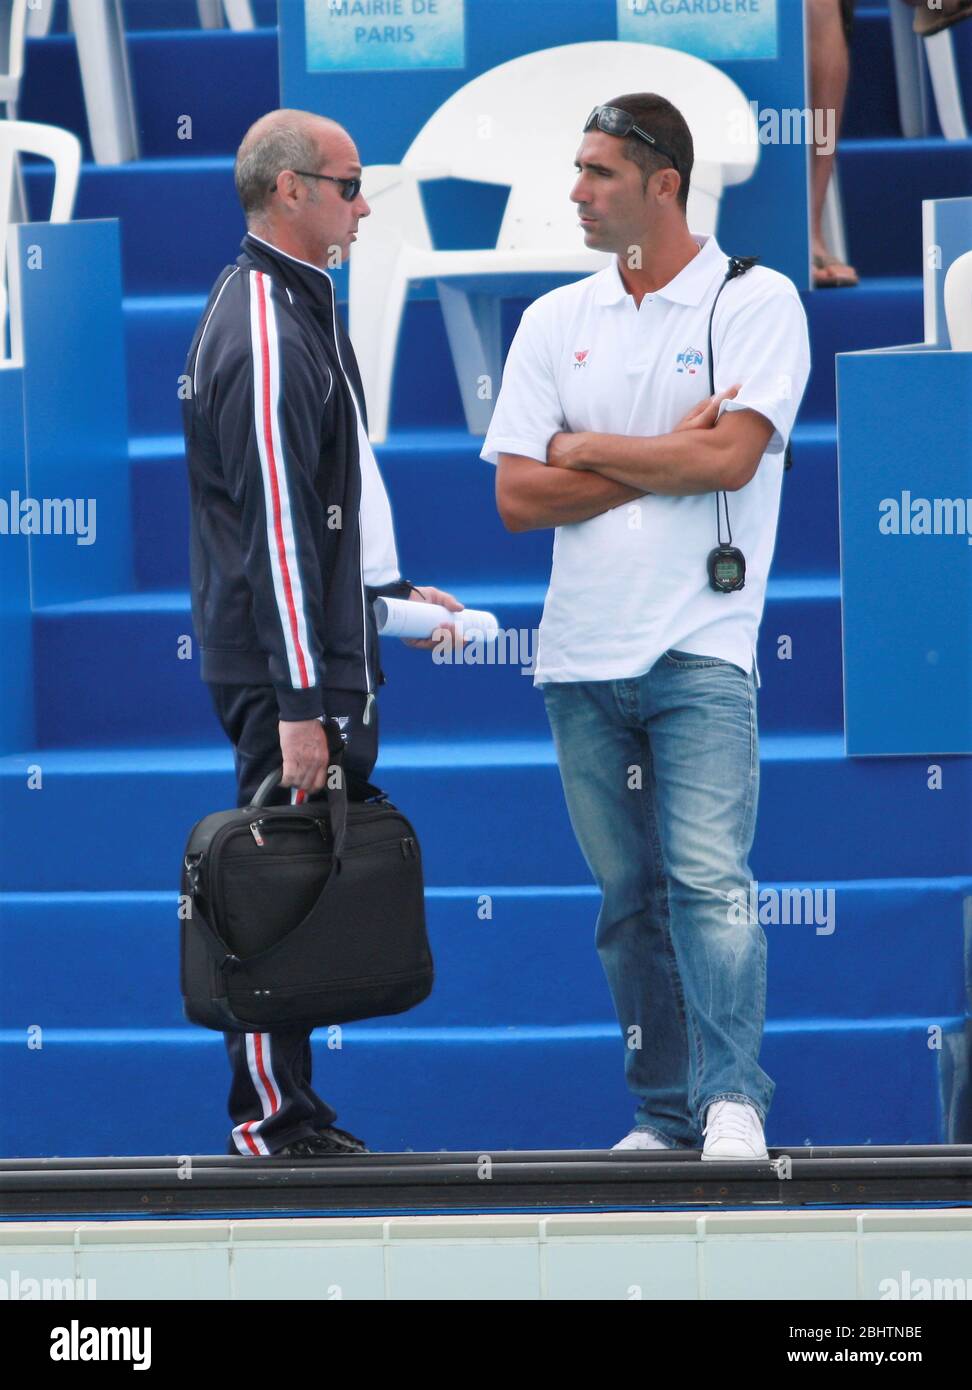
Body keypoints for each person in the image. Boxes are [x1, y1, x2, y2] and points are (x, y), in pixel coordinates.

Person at [482, 94, 811, 1160]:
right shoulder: (553, 320)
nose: (576, 192)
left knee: (710, 884)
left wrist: (582, 448)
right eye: (576, 171)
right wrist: (644, 450)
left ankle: (732, 1101)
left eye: (600, 173)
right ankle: (663, 1112)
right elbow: (517, 499)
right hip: (579, 654)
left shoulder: (756, 303)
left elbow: (725, 460)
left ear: (664, 184)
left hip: (701, 645)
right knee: (629, 903)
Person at [182, 108, 463, 1159]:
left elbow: (329, 501)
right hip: (284, 664)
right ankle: (268, 1118)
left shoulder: (300, 302)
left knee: (301, 877)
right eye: (350, 184)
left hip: (316, 646)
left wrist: (381, 593)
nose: (364, 202)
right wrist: (301, 695)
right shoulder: (262, 318)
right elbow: (278, 528)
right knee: (274, 876)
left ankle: (289, 1111)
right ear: (290, 189)